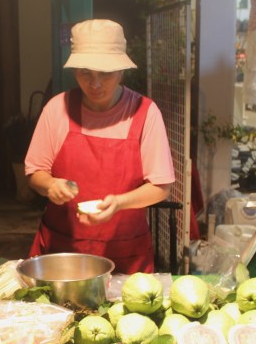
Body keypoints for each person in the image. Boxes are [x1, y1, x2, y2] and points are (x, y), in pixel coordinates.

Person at [24, 19, 175, 274]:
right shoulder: (57, 109)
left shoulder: (145, 113)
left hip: (125, 256)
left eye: (105, 74)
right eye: (85, 73)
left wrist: (119, 203)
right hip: (63, 254)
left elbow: (160, 187)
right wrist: (50, 185)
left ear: (121, 70)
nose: (95, 84)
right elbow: (34, 173)